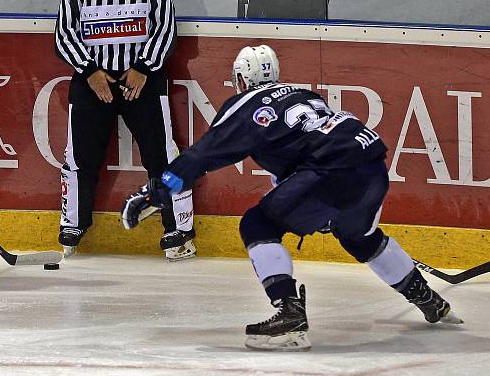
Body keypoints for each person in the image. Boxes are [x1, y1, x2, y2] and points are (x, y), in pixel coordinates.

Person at [121, 45, 462, 351]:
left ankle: (289, 313)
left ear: (241, 78)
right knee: (361, 237)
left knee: (258, 224)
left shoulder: (245, 104)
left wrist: (155, 191)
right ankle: (429, 299)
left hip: (329, 171)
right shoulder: (302, 93)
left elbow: (203, 155)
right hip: (370, 165)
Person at [55, 0, 195, 260]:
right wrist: (90, 72)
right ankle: (74, 223)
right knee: (78, 159)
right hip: (92, 84)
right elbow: (65, 32)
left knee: (163, 157)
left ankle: (179, 229)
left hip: (143, 82)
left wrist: (144, 67)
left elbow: (165, 26)